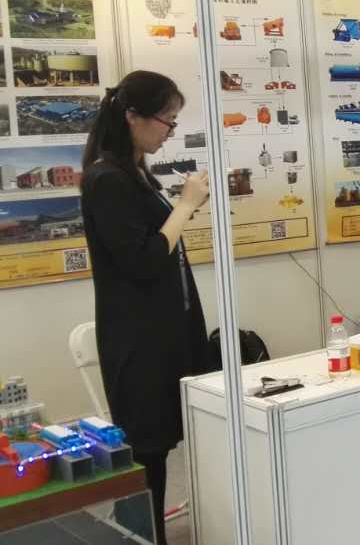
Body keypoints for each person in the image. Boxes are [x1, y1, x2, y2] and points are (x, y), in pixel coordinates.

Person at [80, 71, 211, 544]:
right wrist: (185, 206)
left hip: (167, 332)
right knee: (145, 455)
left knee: (162, 447)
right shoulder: (106, 180)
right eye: (166, 120)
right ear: (132, 116)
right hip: (138, 342)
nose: (170, 130)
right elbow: (145, 259)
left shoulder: (137, 174)